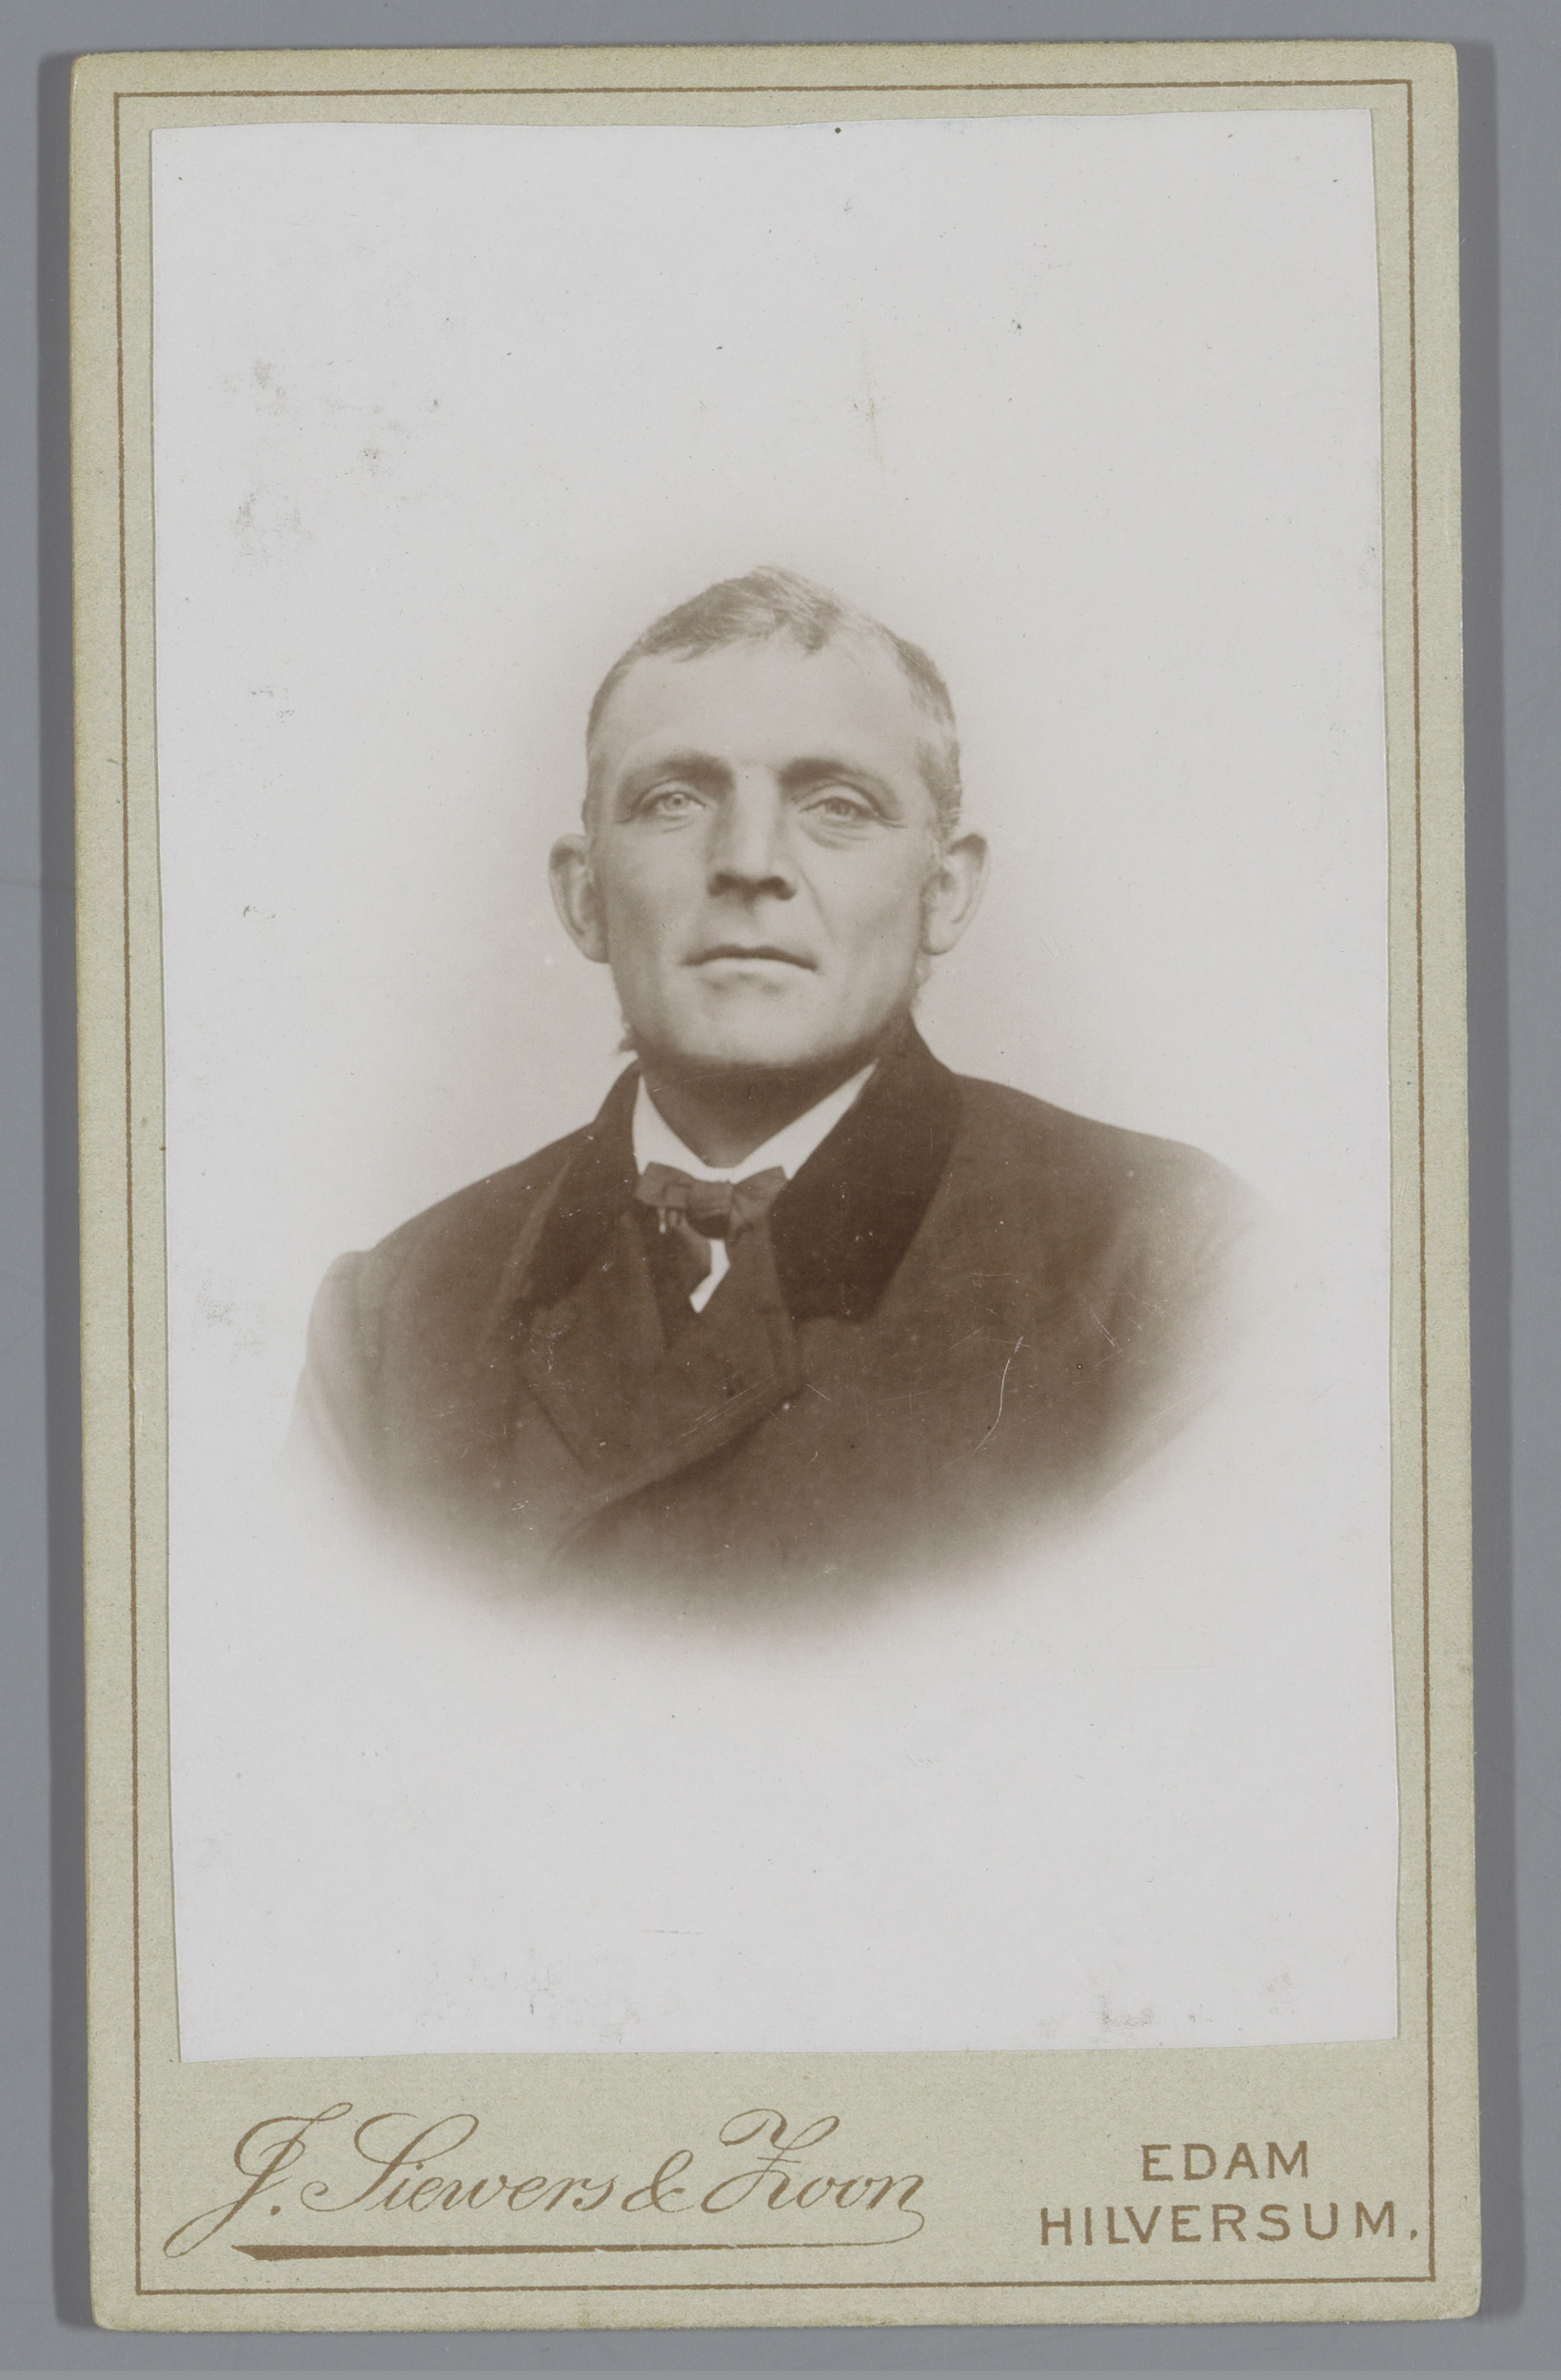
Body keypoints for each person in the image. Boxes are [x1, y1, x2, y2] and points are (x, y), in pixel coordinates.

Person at [295, 567, 1260, 1591]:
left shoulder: (1176, 1269)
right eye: (673, 800)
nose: (749, 861)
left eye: (837, 805)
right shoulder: (393, 1319)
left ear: (944, 892)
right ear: (583, 899)